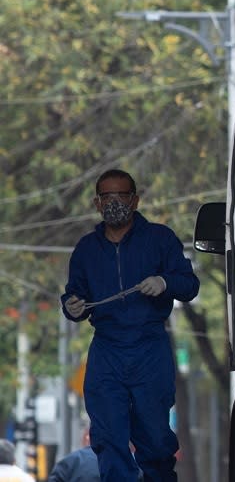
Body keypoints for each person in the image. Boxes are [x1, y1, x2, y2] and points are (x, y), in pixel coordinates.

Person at [61, 169, 200, 482]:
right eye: (106, 197)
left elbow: (190, 285)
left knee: (154, 438)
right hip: (107, 350)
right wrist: (71, 305)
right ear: (97, 204)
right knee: (108, 434)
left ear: (135, 200)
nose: (114, 203)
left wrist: (165, 281)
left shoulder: (160, 239)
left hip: (149, 348)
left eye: (121, 195)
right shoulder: (86, 249)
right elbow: (75, 297)